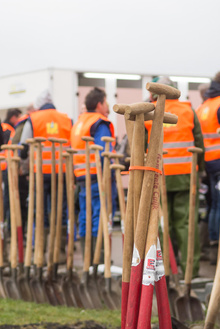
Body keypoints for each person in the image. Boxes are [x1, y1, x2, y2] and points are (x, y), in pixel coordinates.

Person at [145, 76, 205, 278]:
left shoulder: (149, 111)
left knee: (162, 224)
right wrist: (201, 169)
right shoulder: (188, 110)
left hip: (158, 175)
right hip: (186, 176)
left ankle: (165, 271)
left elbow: (140, 145)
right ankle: (190, 270)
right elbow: (199, 141)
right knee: (186, 223)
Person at [20, 90, 72, 262]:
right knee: (60, 211)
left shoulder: (33, 119)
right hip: (61, 172)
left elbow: (24, 147)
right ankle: (59, 253)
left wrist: (25, 168)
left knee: (39, 211)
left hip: (39, 173)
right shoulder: (65, 119)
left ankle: (40, 253)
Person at [70, 87, 117, 260]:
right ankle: (100, 256)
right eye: (106, 102)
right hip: (98, 176)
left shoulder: (79, 123)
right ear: (99, 104)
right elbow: (103, 152)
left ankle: (88, 257)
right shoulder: (99, 123)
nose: (107, 106)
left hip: (82, 176)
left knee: (85, 215)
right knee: (100, 214)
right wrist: (109, 174)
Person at [196, 72, 220, 265]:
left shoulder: (204, 106)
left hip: (209, 163)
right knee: (218, 205)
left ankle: (210, 245)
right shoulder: (219, 103)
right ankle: (215, 250)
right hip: (219, 160)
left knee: (213, 204)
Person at [10, 104, 36, 234]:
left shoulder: (24, 123)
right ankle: (22, 234)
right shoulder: (27, 123)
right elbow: (21, 147)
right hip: (22, 170)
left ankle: (23, 234)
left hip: (22, 169)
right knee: (23, 203)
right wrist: (22, 167)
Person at [0, 108, 22, 232]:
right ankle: (6, 226)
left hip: (4, 167)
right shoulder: (9, 130)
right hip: (5, 167)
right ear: (13, 117)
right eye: (18, 117)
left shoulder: (4, 127)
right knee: (7, 198)